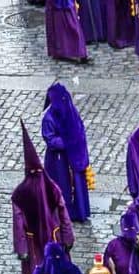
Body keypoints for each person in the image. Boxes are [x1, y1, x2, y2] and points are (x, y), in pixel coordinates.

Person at [13, 121, 75, 274]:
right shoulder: (52, 187)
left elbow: (18, 226)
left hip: (33, 245)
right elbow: (64, 215)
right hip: (54, 239)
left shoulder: (20, 193)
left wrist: (22, 249)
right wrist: (68, 238)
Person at [42, 83, 92, 224]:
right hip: (58, 160)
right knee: (62, 185)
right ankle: (64, 212)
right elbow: (50, 139)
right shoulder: (49, 118)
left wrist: (77, 140)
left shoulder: (71, 111)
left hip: (74, 155)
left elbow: (79, 127)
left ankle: (79, 210)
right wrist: (68, 141)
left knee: (77, 183)